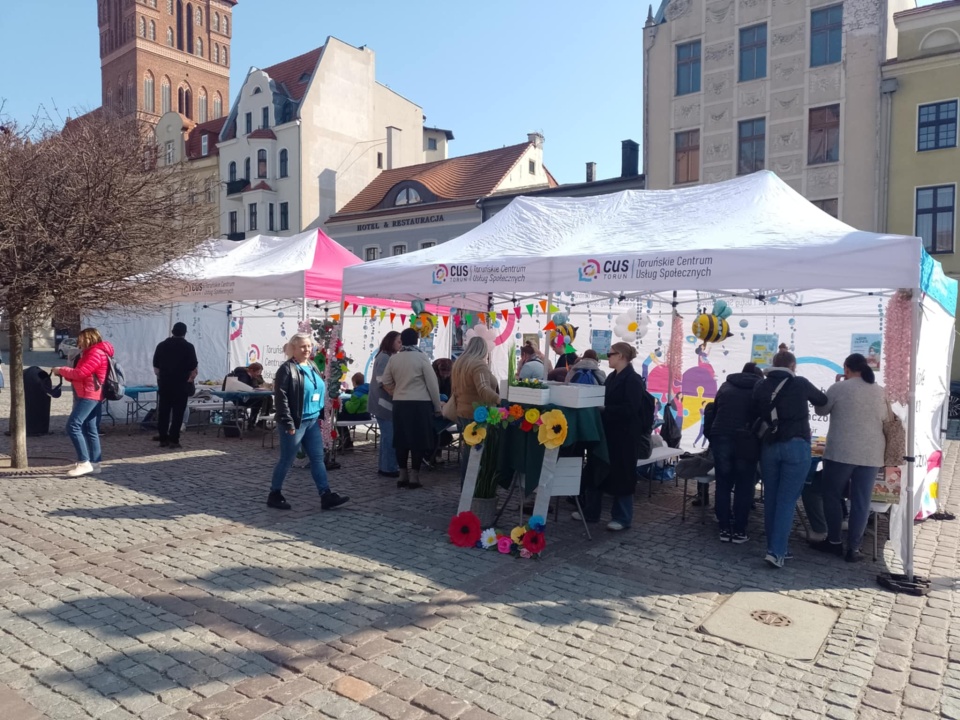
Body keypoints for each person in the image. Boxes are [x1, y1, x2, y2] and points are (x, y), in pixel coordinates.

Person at [753, 350, 828, 568]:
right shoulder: (800, 383)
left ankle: (776, 548)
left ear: (773, 364)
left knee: (772, 499)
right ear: (793, 366)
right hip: (796, 446)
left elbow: (755, 411)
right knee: (786, 501)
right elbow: (822, 400)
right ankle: (776, 552)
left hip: (769, 447)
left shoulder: (761, 385)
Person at [810, 353, 888, 562]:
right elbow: (886, 418)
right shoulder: (880, 391)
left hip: (841, 452)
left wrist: (833, 387)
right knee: (861, 502)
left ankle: (834, 541)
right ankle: (854, 548)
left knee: (832, 496)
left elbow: (821, 410)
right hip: (871, 454)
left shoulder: (838, 388)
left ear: (846, 369)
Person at [576, 342, 654, 531]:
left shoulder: (633, 380)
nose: (607, 358)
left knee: (623, 475)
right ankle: (591, 512)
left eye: (610, 354)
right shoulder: (611, 377)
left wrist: (605, 409)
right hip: (608, 433)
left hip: (625, 437)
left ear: (620, 356)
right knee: (597, 469)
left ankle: (623, 517)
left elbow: (631, 409)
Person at [268, 333, 349, 511]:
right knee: (287, 460)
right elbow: (280, 398)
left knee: (317, 458)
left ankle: (325, 495)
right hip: (295, 422)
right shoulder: (287, 369)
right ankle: (274, 494)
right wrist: (288, 422)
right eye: (302, 346)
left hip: (312, 420)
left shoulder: (311, 365)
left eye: (308, 346)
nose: (307, 349)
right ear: (293, 349)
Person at [708, 362, 763, 544]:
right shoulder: (759, 388)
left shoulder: (726, 385)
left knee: (723, 483)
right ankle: (739, 530)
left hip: (721, 436)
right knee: (744, 486)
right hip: (746, 441)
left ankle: (723, 527)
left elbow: (714, 412)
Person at [381, 328, 442, 490]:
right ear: (416, 340)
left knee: (401, 439)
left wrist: (397, 390)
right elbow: (432, 385)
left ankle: (402, 474)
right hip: (420, 404)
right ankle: (414, 476)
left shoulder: (394, 359)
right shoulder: (422, 358)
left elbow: (385, 380)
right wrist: (437, 406)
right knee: (418, 440)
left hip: (400, 403)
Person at [54, 328, 115, 477]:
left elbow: (81, 373)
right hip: (91, 393)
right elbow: (81, 374)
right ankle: (95, 463)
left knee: (73, 426)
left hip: (89, 394)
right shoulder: (93, 352)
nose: (79, 342)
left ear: (89, 338)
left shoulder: (94, 353)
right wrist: (67, 374)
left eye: (81, 338)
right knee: (90, 428)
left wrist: (61, 370)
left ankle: (84, 462)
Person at [451, 336, 501, 484]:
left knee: (468, 454)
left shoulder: (460, 364)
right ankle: (474, 490)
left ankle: (466, 489)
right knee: (477, 456)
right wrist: (500, 400)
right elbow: (484, 389)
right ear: (483, 350)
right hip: (477, 415)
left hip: (462, 412)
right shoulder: (478, 365)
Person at [152, 322, 198, 450]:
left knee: (164, 411)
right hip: (181, 384)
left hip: (165, 383)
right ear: (185, 333)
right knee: (178, 413)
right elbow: (193, 364)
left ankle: (163, 438)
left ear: (172, 331)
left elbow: (156, 365)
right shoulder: (189, 347)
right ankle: (174, 439)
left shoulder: (161, 346)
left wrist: (162, 377)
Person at [369, 331, 401, 478]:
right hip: (383, 403)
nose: (400, 345)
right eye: (398, 342)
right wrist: (395, 394)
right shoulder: (384, 357)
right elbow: (382, 381)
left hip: (385, 402)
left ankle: (385, 466)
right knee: (390, 436)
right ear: (390, 342)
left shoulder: (388, 357)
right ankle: (389, 468)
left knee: (388, 436)